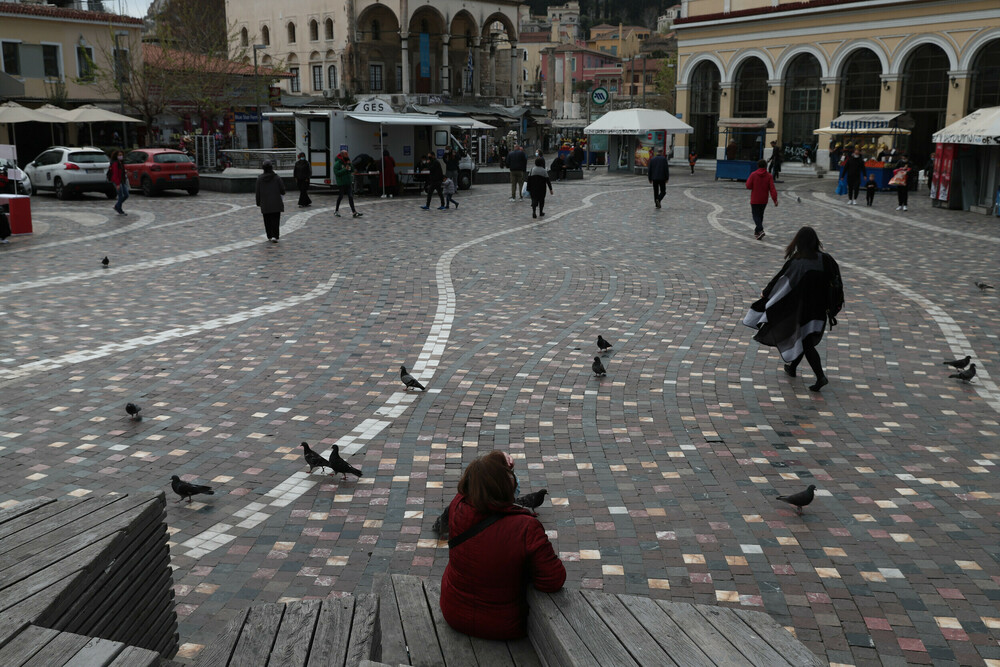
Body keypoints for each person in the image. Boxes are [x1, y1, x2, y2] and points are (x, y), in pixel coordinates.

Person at [440, 451, 566, 640]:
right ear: (508, 486)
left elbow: (478, 478)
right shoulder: (525, 527)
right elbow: (553, 580)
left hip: (454, 613)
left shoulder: (458, 505)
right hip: (502, 625)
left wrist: (496, 462)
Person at [743, 226, 842, 392]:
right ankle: (792, 367)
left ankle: (820, 377)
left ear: (798, 242)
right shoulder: (827, 259)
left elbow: (781, 280)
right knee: (805, 338)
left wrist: (766, 293)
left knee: (806, 342)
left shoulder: (797, 262)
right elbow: (837, 282)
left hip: (802, 310)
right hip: (821, 309)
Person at [745, 159, 777, 240]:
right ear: (766, 166)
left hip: (755, 199)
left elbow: (748, 186)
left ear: (758, 166)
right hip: (764, 200)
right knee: (760, 215)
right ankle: (757, 231)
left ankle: (761, 230)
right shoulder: (769, 176)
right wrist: (775, 200)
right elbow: (772, 189)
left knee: (755, 215)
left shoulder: (753, 174)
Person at [255, 159, 285, 243]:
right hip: (276, 203)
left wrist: (258, 202)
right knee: (276, 220)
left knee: (267, 220)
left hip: (265, 204)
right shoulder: (277, 177)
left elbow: (258, 192)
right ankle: (275, 236)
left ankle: (269, 235)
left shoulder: (260, 179)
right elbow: (282, 189)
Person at [332, 150, 362, 218]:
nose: (347, 156)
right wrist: (345, 169)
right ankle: (336, 210)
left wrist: (350, 164)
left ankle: (354, 212)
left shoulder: (347, 162)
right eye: (346, 154)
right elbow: (337, 173)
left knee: (351, 197)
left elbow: (352, 170)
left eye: (347, 154)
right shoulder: (338, 163)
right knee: (341, 196)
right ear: (342, 155)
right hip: (341, 183)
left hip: (348, 182)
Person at [108, 150, 128, 216]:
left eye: (121, 155)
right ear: (116, 156)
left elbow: (121, 172)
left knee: (126, 195)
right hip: (117, 181)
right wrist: (117, 184)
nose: (121, 156)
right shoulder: (115, 163)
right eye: (119, 155)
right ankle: (119, 209)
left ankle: (117, 206)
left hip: (122, 180)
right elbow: (115, 174)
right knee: (120, 195)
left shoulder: (121, 162)